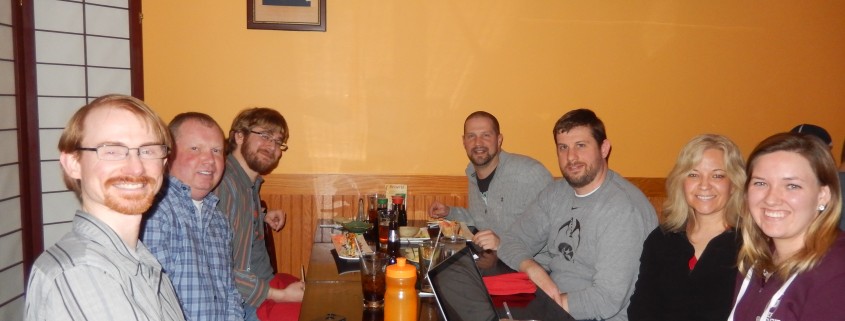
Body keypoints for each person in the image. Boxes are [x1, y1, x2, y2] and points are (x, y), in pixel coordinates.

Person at [24, 94, 185, 320]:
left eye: (147, 150)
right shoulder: (79, 273)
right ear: (73, 164)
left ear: (164, 163)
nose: (136, 168)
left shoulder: (140, 259)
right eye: (111, 151)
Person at [498, 108, 657, 321]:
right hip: (559, 307)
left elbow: (606, 300)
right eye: (563, 147)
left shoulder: (623, 209)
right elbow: (511, 241)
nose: (571, 157)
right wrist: (532, 268)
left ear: (604, 148)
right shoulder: (557, 192)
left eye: (581, 146)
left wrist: (539, 310)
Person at [628, 134, 745, 321]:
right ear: (681, 182)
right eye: (693, 174)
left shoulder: (750, 245)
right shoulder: (661, 239)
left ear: (734, 183)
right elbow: (641, 309)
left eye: (717, 175)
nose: (704, 185)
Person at [728, 133, 844, 321]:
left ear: (823, 195)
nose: (771, 199)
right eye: (760, 183)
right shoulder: (757, 261)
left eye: (792, 186)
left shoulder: (837, 272)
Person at [142, 112, 243, 320]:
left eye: (216, 151)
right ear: (168, 156)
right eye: (195, 149)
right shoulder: (155, 212)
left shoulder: (218, 219)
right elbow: (152, 301)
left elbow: (230, 293)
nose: (209, 159)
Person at [215, 107, 304, 321]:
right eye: (264, 135)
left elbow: (234, 224)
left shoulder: (248, 183)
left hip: (266, 285)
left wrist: (259, 215)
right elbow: (221, 268)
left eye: (277, 140)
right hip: (244, 303)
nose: (272, 146)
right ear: (239, 135)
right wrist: (281, 296)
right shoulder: (224, 186)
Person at [428, 111, 552, 250]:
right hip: (495, 260)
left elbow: (548, 227)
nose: (478, 143)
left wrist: (502, 245)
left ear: (499, 140)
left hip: (535, 265)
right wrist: (449, 212)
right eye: (471, 136)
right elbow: (482, 217)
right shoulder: (473, 174)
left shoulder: (529, 172)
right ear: (464, 142)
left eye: (486, 135)